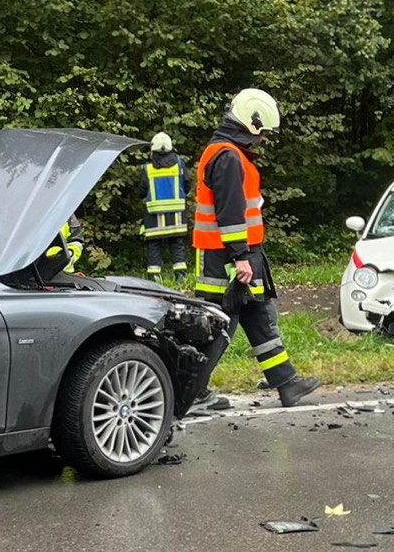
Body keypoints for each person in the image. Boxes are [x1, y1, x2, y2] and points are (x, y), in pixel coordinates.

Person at [192, 88, 320, 407]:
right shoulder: (227, 157)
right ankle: (191, 392)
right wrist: (240, 257)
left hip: (240, 254)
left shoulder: (230, 153)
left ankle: (286, 383)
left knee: (258, 315)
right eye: (262, 131)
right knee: (221, 323)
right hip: (226, 257)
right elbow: (230, 212)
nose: (262, 138)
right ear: (250, 124)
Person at [137, 132, 190, 283]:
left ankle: (153, 279)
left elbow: (141, 192)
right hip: (177, 216)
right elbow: (187, 185)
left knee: (154, 247)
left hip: (154, 217)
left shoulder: (148, 168)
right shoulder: (180, 164)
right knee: (177, 246)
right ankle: (181, 277)